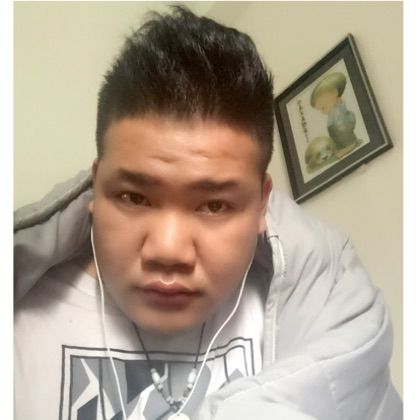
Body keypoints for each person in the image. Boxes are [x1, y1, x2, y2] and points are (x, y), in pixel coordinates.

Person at [14, 6, 402, 420]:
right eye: (134, 197)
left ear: (262, 204)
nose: (168, 250)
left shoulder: (314, 317)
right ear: (96, 186)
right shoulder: (21, 316)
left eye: (214, 205)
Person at [310, 72, 359, 159]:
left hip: (341, 128)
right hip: (335, 129)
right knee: (336, 135)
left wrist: (342, 122)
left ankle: (349, 145)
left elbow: (346, 118)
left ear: (334, 93)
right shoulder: (334, 111)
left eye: (323, 108)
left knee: (342, 133)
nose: (323, 112)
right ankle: (343, 147)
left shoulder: (339, 108)